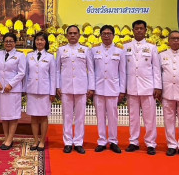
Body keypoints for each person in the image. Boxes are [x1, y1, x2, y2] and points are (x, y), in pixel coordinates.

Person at [124, 19, 162, 155]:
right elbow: (122, 70)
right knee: (133, 117)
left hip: (148, 87)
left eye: (141, 28)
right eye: (136, 28)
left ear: (146, 30)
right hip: (132, 87)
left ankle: (151, 143)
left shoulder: (152, 47)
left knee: (149, 117)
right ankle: (133, 141)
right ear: (132, 30)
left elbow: (156, 69)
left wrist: (158, 87)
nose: (139, 30)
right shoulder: (125, 47)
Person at [56, 25, 95, 154]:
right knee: (66, 116)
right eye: (70, 33)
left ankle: (78, 142)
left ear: (79, 35)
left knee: (80, 116)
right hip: (66, 87)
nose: (72, 35)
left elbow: (91, 70)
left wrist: (91, 87)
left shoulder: (85, 50)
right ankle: (67, 142)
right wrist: (57, 86)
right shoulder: (61, 50)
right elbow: (57, 70)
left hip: (81, 87)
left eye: (75, 33)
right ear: (67, 35)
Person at [91, 25, 126, 154]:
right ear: (100, 35)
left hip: (113, 88)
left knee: (113, 116)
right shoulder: (94, 50)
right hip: (98, 88)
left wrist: (122, 90)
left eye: (109, 33)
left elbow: (122, 72)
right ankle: (101, 141)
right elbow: (91, 71)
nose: (106, 36)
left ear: (113, 35)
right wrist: (91, 87)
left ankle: (113, 141)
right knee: (100, 116)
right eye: (104, 33)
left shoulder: (119, 51)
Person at [0, 33, 26, 150]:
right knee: (4, 115)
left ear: (15, 43)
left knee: (13, 115)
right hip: (1, 89)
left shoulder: (20, 55)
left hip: (13, 90)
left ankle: (10, 138)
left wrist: (11, 84)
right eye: (6, 41)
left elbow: (21, 72)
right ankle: (7, 137)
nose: (8, 43)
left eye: (11, 41)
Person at [24, 32, 56, 151]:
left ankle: (42, 141)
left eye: (42, 40)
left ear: (46, 42)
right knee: (33, 117)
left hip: (44, 90)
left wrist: (52, 92)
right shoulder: (29, 56)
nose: (39, 42)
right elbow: (26, 74)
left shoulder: (50, 57)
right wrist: (25, 89)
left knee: (43, 117)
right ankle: (35, 140)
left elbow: (53, 76)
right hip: (32, 89)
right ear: (34, 42)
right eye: (37, 40)